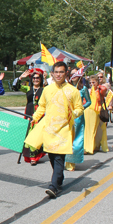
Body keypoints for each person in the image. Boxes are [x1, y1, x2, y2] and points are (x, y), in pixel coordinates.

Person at [24, 61, 84, 198]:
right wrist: (35, 117)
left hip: (64, 129)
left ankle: (54, 186)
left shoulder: (73, 91)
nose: (58, 75)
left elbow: (79, 108)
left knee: (58, 158)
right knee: (52, 157)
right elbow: (42, 107)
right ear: (52, 73)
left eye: (61, 72)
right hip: (49, 129)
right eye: (56, 72)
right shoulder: (47, 89)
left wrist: (73, 114)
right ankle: (59, 177)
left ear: (66, 73)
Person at [18, 69, 46, 165]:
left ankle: (34, 156)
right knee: (28, 134)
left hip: (39, 113)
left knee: (36, 134)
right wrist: (21, 77)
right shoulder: (28, 88)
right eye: (33, 78)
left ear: (41, 79)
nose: (35, 80)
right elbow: (16, 86)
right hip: (29, 113)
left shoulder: (44, 89)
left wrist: (46, 78)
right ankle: (29, 155)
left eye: (38, 78)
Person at [65, 68, 91, 171]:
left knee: (77, 140)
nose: (74, 75)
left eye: (76, 74)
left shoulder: (83, 89)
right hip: (67, 116)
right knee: (67, 139)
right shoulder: (67, 88)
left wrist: (80, 108)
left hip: (78, 117)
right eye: (72, 74)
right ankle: (66, 161)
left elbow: (89, 102)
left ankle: (72, 162)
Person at [83, 75, 108, 154]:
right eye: (90, 82)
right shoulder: (88, 90)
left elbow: (105, 89)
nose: (91, 84)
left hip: (99, 110)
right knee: (89, 129)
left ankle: (97, 145)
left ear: (97, 82)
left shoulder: (100, 90)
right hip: (90, 111)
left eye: (93, 82)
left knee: (99, 129)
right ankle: (88, 147)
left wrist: (98, 86)